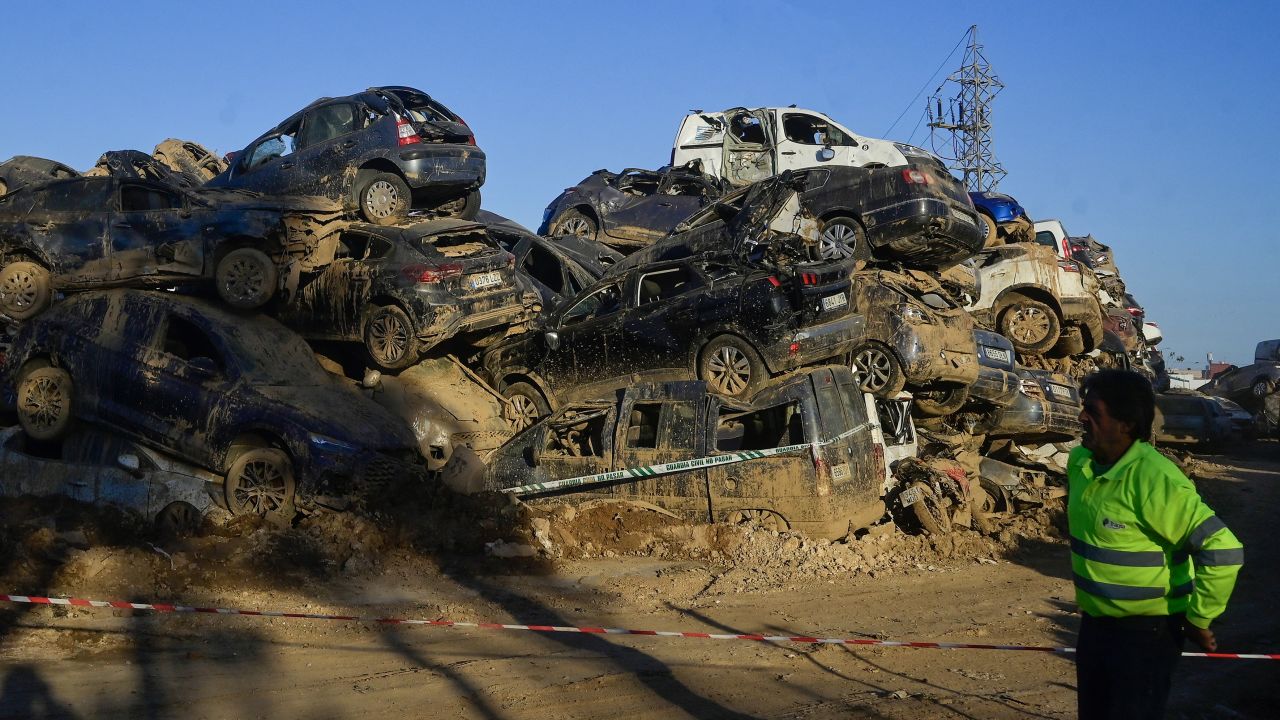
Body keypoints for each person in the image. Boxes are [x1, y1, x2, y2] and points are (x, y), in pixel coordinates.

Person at [1068, 370, 1243, 719]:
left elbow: (1223, 548)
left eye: (1093, 411)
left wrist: (1199, 618)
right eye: (1083, 407)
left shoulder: (1154, 479)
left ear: (1126, 424)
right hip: (1094, 627)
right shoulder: (1080, 463)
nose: (1081, 417)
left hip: (1145, 637)